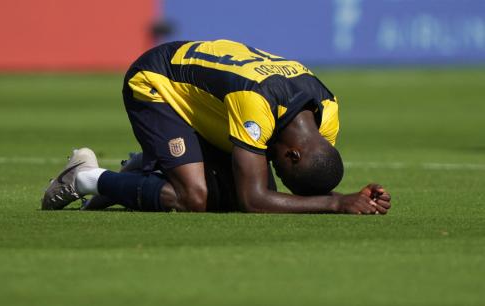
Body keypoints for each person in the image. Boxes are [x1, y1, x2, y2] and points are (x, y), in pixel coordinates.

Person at [41, 40, 391, 214]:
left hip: (213, 105)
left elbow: (279, 190)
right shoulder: (257, 103)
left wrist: (347, 199)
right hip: (158, 82)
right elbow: (254, 199)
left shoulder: (326, 113)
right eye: (286, 172)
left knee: (229, 199)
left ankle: (150, 164)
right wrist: (335, 204)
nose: (279, 175)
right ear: (294, 153)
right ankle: (85, 177)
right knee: (195, 197)